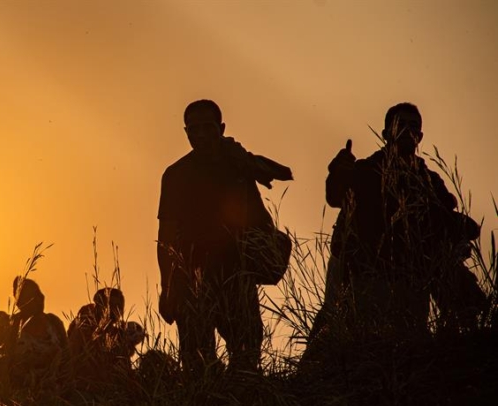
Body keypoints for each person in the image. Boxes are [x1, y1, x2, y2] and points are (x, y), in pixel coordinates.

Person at [315, 102, 485, 343]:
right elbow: (335, 198)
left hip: (410, 281)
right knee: (344, 338)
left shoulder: (429, 180)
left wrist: (459, 228)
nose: (407, 130)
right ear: (386, 134)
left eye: (413, 126)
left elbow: (443, 219)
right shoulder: (365, 170)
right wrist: (340, 170)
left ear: (420, 136)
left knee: (408, 342)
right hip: (364, 277)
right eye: (400, 124)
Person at [157, 99, 292, 375]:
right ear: (186, 133)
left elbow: (259, 219)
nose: (202, 135)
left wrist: (267, 252)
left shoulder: (239, 168)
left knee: (246, 356)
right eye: (195, 129)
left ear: (221, 128)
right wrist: (168, 288)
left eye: (208, 127)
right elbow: (166, 237)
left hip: (236, 275)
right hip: (192, 279)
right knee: (197, 364)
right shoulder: (176, 175)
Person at [67, 288, 144, 391]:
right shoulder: (85, 325)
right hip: (86, 388)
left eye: (120, 307)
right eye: (112, 306)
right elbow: (81, 358)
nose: (117, 311)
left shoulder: (110, 330)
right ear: (99, 304)